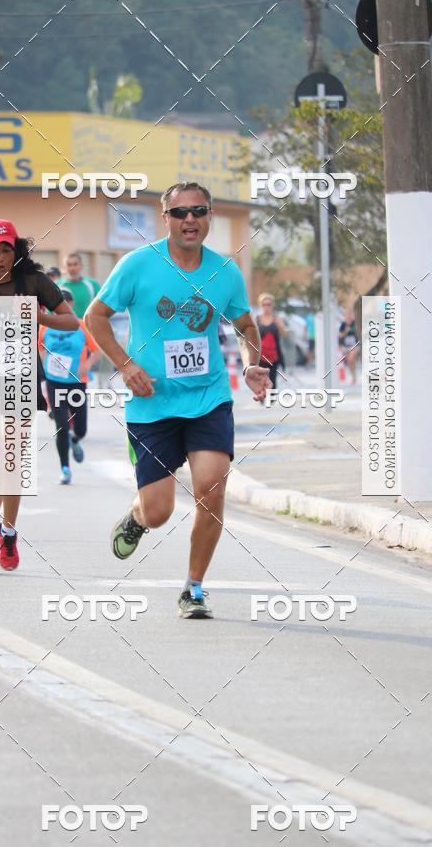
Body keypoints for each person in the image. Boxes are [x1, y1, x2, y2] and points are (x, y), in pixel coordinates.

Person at [85, 181, 270, 619]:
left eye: (199, 211)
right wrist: (126, 366)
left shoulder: (225, 272)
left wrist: (251, 364)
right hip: (151, 404)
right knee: (159, 511)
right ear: (165, 217)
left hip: (208, 398)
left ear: (209, 217)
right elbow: (95, 316)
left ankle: (194, 587)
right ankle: (137, 517)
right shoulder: (137, 265)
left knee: (212, 487)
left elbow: (245, 325)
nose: (190, 219)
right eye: (180, 212)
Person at [0, 219, 78, 570]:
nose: (0, 257)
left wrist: (39, 316)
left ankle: (8, 532)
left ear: (16, 250)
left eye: (7, 249)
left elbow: (72, 321)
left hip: (19, 373)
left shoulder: (33, 281)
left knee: (13, 458)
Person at [39, 288, 100, 484]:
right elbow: (39, 348)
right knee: (61, 427)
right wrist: (43, 370)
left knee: (81, 429)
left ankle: (75, 440)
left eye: (64, 303)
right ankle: (65, 469)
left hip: (77, 383)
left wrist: (87, 364)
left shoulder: (81, 325)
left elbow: (97, 350)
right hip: (54, 382)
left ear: (71, 304)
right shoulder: (45, 327)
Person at [255, 292, 286, 388]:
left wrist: (279, 325)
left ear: (272, 305)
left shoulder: (276, 318)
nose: (266, 307)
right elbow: (251, 336)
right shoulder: (257, 319)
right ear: (260, 305)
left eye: (268, 305)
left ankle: (271, 397)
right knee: (261, 381)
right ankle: (263, 396)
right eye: (263, 305)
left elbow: (284, 334)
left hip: (273, 356)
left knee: (273, 382)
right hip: (260, 356)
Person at [57, 252, 101, 319]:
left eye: (75, 264)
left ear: (81, 266)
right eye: (69, 265)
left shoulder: (93, 284)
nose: (72, 268)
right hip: (64, 324)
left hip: (86, 324)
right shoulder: (57, 285)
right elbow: (49, 311)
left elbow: (102, 307)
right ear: (64, 267)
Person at [339, 309, 359, 384]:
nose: (349, 316)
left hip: (354, 345)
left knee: (351, 359)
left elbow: (358, 332)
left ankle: (354, 377)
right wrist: (345, 331)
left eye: (350, 315)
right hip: (345, 346)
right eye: (347, 315)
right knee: (349, 362)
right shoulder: (343, 324)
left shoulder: (355, 324)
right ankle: (353, 375)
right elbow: (340, 335)